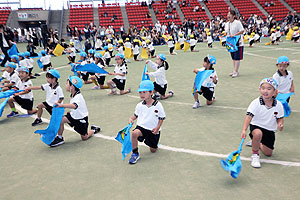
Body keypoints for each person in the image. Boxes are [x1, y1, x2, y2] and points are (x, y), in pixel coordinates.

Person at [241, 78, 284, 168]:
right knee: (257, 134)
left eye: (269, 89)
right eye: (263, 88)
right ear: (260, 89)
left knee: (268, 153)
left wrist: (280, 123)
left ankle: (256, 142)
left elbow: (280, 117)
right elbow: (249, 117)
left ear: (274, 91)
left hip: (269, 130)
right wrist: (244, 130)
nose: (265, 91)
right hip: (256, 126)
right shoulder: (255, 103)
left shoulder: (279, 105)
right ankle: (255, 155)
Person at [50, 76, 101, 147]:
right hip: (73, 116)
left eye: (67, 84)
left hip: (81, 119)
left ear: (72, 87)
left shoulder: (78, 97)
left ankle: (94, 130)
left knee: (84, 137)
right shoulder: (73, 95)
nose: (66, 85)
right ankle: (60, 138)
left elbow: (74, 106)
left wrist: (62, 105)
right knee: (60, 120)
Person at [128, 80, 166, 164]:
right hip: (141, 127)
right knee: (134, 133)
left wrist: (157, 128)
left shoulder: (158, 105)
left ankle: (153, 144)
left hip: (153, 129)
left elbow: (161, 118)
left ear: (151, 92)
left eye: (144, 92)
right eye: (140, 92)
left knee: (153, 150)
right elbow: (135, 115)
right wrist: (131, 118)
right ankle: (135, 153)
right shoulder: (139, 105)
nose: (142, 95)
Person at [225, 10, 245, 78]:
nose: (228, 16)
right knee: (233, 57)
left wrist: (234, 35)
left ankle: (236, 71)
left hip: (238, 42)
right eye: (228, 14)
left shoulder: (237, 23)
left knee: (237, 58)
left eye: (230, 14)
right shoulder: (227, 24)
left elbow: (242, 31)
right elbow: (227, 32)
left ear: (233, 16)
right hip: (231, 43)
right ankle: (234, 70)